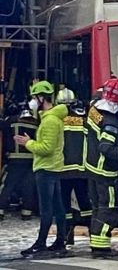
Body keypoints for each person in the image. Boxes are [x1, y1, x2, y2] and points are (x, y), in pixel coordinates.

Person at [15, 81, 68, 257]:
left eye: (34, 97)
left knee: (47, 209)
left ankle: (41, 243)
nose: (32, 102)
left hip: (46, 168)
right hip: (53, 167)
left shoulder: (50, 120)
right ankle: (60, 241)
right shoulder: (51, 118)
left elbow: (46, 148)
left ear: (41, 98)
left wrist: (27, 143)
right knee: (57, 207)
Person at [85, 78, 118, 258]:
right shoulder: (111, 122)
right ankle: (101, 247)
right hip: (106, 173)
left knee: (98, 207)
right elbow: (106, 148)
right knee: (109, 209)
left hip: (92, 168)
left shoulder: (95, 109)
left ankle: (97, 243)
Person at [60, 100, 92, 246]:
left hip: (64, 170)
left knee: (65, 205)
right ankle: (93, 234)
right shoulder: (87, 123)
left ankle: (67, 236)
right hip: (82, 170)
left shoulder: (62, 122)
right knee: (85, 203)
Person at [0, 104, 38, 221]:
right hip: (31, 159)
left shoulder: (11, 121)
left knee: (8, 185)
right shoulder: (37, 123)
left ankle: (0, 209)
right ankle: (26, 212)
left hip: (14, 159)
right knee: (29, 186)